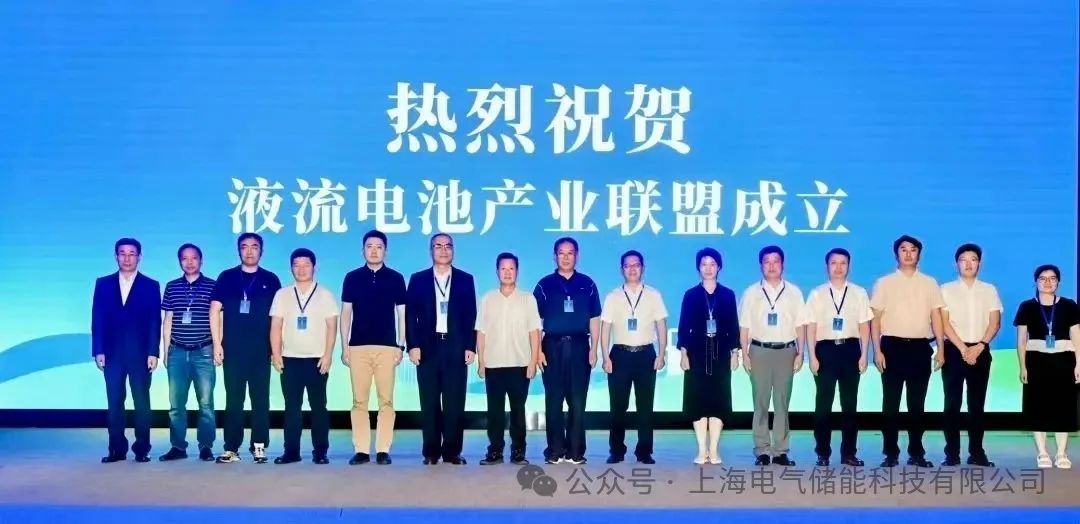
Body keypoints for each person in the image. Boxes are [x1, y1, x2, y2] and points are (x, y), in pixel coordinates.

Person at [870, 235, 944, 468]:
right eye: (903, 249)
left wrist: (941, 349)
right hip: (891, 347)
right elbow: (875, 320)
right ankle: (890, 453)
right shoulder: (884, 283)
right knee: (890, 404)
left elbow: (936, 317)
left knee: (917, 404)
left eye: (913, 249)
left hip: (920, 348)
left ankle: (916, 452)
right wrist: (877, 350)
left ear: (919, 254)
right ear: (897, 254)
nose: (908, 253)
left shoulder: (930, 283)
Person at [210, 233, 282, 464]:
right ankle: (231, 448)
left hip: (261, 350)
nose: (249, 251)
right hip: (233, 349)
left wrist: (276, 350)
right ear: (238, 250)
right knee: (234, 400)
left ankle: (259, 445)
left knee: (260, 399)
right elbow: (214, 310)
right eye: (244, 247)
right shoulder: (227, 277)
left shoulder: (271, 279)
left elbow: (279, 319)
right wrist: (217, 344)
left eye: (254, 247)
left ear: (261, 251)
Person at [406, 233, 477, 465]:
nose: (443, 250)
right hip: (427, 346)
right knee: (429, 402)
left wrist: (470, 345)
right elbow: (410, 315)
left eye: (448, 246)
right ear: (431, 251)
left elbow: (471, 315)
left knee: (455, 401)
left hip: (456, 346)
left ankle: (452, 451)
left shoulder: (466, 279)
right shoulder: (418, 279)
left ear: (453, 250)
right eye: (438, 246)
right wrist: (412, 345)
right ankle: (430, 452)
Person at [340, 230, 407, 466]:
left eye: (379, 247)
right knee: (359, 401)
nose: (374, 251)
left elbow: (402, 314)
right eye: (369, 246)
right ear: (363, 250)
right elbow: (345, 313)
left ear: (385, 251)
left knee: (386, 401)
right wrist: (345, 346)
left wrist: (401, 345)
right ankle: (361, 450)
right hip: (358, 347)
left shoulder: (396, 278)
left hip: (387, 347)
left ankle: (382, 449)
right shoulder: (352, 277)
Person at [533, 237, 602, 465]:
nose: (565, 257)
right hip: (551, 346)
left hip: (580, 345)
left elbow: (595, 318)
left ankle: (575, 451)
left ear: (577, 256)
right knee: (553, 400)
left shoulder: (587, 284)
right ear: (554, 256)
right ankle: (554, 450)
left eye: (570, 253)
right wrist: (537, 351)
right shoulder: (544, 285)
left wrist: (594, 348)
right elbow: (535, 321)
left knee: (578, 401)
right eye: (561, 253)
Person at [92, 238, 161, 463]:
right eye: (122, 253)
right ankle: (116, 449)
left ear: (139, 257)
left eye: (132, 254)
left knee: (142, 403)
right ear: (116, 256)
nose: (127, 258)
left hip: (141, 354)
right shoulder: (103, 283)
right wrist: (98, 350)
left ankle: (142, 449)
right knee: (114, 402)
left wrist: (153, 352)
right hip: (111, 353)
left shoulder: (151, 285)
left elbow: (154, 321)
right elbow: (97, 318)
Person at [802, 248, 872, 467]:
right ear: (827, 266)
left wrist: (864, 354)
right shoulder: (817, 293)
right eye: (834, 263)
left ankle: (849, 453)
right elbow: (811, 326)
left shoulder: (859, 292)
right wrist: (812, 356)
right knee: (823, 404)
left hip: (850, 349)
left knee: (850, 405)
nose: (838, 267)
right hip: (825, 350)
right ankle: (822, 452)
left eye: (843, 263)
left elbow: (864, 325)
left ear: (849, 266)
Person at [270, 248, 338, 465]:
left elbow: (332, 327)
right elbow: (276, 326)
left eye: (306, 265)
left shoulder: (325, 294)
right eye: (296, 265)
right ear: (291, 268)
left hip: (317, 360)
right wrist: (276, 354)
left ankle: (320, 451)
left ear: (314, 267)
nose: (301, 269)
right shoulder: (282, 294)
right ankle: (291, 451)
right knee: (292, 408)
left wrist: (328, 355)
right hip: (289, 359)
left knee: (319, 407)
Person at [600, 250, 668, 465]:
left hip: (646, 355)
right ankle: (616, 450)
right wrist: (605, 357)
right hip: (619, 355)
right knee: (617, 406)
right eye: (627, 265)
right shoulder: (613, 296)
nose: (632, 269)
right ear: (622, 270)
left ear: (643, 268)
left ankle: (644, 451)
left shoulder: (653, 295)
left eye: (636, 265)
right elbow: (605, 328)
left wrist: (662, 353)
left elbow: (661, 325)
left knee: (645, 407)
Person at [739, 245, 805, 467]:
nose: (771, 266)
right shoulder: (751, 292)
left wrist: (801, 353)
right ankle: (762, 450)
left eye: (775, 261)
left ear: (782, 264)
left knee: (782, 402)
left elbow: (800, 325)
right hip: (759, 351)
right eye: (767, 261)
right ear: (761, 265)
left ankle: (781, 451)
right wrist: (745, 353)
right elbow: (744, 326)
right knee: (760, 402)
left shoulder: (794, 292)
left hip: (787, 351)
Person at [939, 243, 1002, 467]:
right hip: (954, 351)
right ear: (956, 264)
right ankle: (952, 453)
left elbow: (995, 322)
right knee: (952, 404)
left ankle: (977, 452)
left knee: (977, 404)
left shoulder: (989, 290)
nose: (968, 264)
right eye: (963, 260)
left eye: (973, 259)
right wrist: (963, 348)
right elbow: (944, 323)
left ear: (980, 263)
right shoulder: (945, 289)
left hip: (980, 350)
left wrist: (980, 345)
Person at [476, 252, 541, 466]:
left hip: (520, 364)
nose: (507, 272)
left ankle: (518, 451)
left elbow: (534, 331)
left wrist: (533, 361)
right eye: (503, 268)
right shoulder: (488, 299)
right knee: (494, 412)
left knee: (518, 411)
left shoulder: (527, 299)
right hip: (493, 364)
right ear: (497, 271)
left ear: (517, 271)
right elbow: (481, 332)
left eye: (511, 268)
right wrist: (481, 361)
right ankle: (495, 451)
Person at [1014, 264, 1080, 469]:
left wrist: (1079, 363)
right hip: (1036, 361)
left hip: (1064, 360)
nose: (1048, 282)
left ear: (1058, 282)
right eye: (1043, 278)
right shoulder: (1027, 306)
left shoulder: (1069, 305)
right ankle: (1042, 452)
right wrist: (1023, 366)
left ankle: (1061, 453)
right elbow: (1021, 340)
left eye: (1052, 278)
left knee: (1064, 406)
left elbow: (1077, 336)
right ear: (1036, 282)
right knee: (1037, 406)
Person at [679, 248, 739, 465]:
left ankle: (714, 450)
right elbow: (684, 325)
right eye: (704, 264)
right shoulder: (691, 295)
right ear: (698, 267)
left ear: (719, 267)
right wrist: (683, 353)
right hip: (696, 353)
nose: (708, 268)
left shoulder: (728, 295)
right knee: (697, 401)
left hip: (721, 353)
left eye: (712, 264)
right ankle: (701, 449)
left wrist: (735, 353)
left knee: (718, 400)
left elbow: (733, 326)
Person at [159, 243, 218, 462]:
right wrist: (165, 351)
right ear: (179, 262)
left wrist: (218, 346)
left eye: (194, 258)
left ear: (201, 261)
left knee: (206, 404)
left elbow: (218, 318)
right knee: (176, 405)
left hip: (204, 352)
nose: (190, 262)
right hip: (177, 352)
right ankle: (178, 447)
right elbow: (168, 319)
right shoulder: (172, 286)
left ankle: (206, 446)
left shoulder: (213, 285)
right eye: (185, 258)